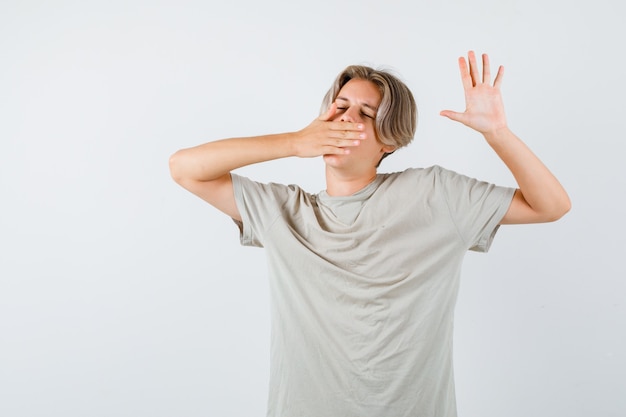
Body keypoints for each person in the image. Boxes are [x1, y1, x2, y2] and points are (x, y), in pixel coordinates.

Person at [169, 51, 570, 417]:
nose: (346, 117)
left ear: (389, 140)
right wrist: (293, 142)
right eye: (340, 107)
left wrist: (497, 133)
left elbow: (551, 205)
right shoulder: (284, 212)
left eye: (365, 113)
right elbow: (184, 168)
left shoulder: (435, 195)